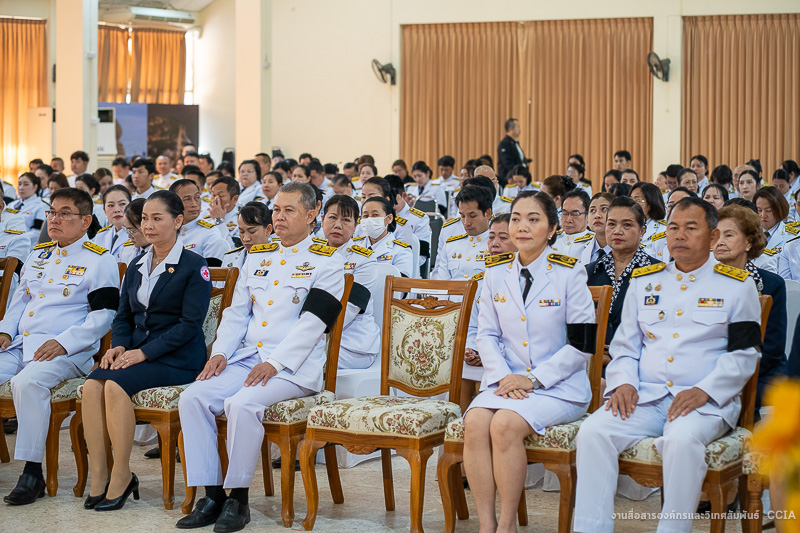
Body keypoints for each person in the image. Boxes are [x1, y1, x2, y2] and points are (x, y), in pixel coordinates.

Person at [573, 197, 762, 533]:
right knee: (593, 431)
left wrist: (705, 391)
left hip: (703, 404)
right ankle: (591, 528)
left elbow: (745, 354)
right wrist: (623, 383)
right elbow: (625, 346)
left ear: (713, 235)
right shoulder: (646, 281)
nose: (679, 235)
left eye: (691, 228)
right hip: (645, 397)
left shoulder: (735, 285)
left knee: (681, 441)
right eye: (673, 227)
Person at [176, 182, 344, 532]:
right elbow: (237, 314)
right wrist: (220, 352)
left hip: (293, 367)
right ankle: (212, 495)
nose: (278, 217)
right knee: (192, 397)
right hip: (248, 357)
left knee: (242, 404)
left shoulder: (329, 262)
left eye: (289, 211)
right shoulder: (258, 255)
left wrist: (276, 363)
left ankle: (238, 498)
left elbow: (313, 325)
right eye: (277, 210)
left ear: (311, 215)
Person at [463, 191, 596, 533]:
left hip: (558, 386)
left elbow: (583, 345)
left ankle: (507, 524)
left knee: (504, 424)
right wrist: (504, 376)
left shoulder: (570, 272)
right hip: (506, 380)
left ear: (552, 228)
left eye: (534, 219)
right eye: (517, 218)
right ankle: (485, 524)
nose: (522, 226)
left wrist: (533, 379)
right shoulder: (494, 273)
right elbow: (487, 335)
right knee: (475, 421)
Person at [81, 191, 211, 511]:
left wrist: (144, 353)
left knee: (113, 385)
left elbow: (189, 325)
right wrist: (119, 345)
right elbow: (123, 315)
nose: (148, 225)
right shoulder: (138, 262)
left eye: (157, 218)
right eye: (144, 219)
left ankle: (123, 475)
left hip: (177, 358)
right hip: (136, 352)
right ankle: (100, 475)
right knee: (91, 386)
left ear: (178, 221)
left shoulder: (194, 265)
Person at [0, 188, 120, 506]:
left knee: (28, 382)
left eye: (65, 213)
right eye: (52, 212)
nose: (54, 219)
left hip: (68, 352)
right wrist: (5, 333)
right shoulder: (39, 255)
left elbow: (104, 317)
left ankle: (31, 472)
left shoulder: (99, 260)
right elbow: (19, 302)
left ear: (85, 221)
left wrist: (63, 342)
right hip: (23, 345)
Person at [713, 204, 786, 411]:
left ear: (749, 241)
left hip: (760, 372)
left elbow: (772, 348)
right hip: (711, 371)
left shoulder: (771, 284)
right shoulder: (702, 282)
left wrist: (730, 374)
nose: (720, 242)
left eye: (728, 235)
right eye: (716, 235)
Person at [585, 197, 661, 345]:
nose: (617, 231)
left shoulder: (658, 273)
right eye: (611, 224)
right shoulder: (589, 272)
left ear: (642, 231)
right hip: (594, 362)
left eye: (627, 225)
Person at [460, 213, 517, 411]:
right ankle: (461, 433)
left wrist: (488, 355)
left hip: (511, 359)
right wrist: (471, 350)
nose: (494, 243)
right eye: (491, 237)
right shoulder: (481, 280)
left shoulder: (525, 279)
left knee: (484, 376)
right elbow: (474, 325)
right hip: (483, 351)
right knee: (460, 370)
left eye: (503, 238)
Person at [316, 195, 380, 369]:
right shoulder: (312, 254)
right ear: (322, 220)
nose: (338, 225)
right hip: (315, 336)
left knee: (299, 361)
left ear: (356, 226)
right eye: (332, 218)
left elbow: (348, 310)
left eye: (346, 220)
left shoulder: (365, 260)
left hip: (353, 344)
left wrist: (306, 335)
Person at [432, 186, 492, 281]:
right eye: (462, 216)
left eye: (472, 216)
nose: (466, 222)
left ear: (488, 213)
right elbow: (442, 286)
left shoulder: (497, 246)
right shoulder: (450, 246)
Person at [170, 179, 229, 267]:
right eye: (187, 199)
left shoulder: (209, 233)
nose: (194, 204)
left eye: (197, 198)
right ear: (173, 204)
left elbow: (210, 275)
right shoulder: (167, 230)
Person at [360, 197, 413, 278]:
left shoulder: (401, 250)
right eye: (365, 216)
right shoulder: (353, 246)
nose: (369, 220)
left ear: (389, 218)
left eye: (375, 215)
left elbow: (401, 286)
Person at [223, 202, 273, 270]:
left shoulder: (277, 258)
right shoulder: (230, 257)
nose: (246, 238)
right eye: (241, 232)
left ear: (268, 230)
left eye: (252, 232)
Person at [5, 173, 48, 246]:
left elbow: (37, 233)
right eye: (19, 184)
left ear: (35, 187)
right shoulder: (11, 205)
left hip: (27, 246)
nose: (21, 187)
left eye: (26, 184)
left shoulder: (42, 206)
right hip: (6, 244)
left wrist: (15, 239)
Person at [92, 185, 132, 261]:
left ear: (131, 206)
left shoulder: (139, 236)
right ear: (104, 210)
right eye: (111, 205)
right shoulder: (100, 237)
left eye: (122, 204)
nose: (117, 210)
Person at [630, 182, 667, 256]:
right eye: (630, 200)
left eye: (637, 200)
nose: (631, 204)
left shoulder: (663, 229)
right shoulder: (626, 226)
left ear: (650, 203)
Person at [577, 192, 615, 264]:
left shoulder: (629, 251)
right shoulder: (576, 249)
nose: (597, 215)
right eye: (592, 210)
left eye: (604, 209)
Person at [553, 189, 593, 256]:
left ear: (588, 215)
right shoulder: (552, 239)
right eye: (565, 213)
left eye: (575, 214)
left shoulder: (594, 243)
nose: (568, 220)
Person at [208, 176, 241, 242]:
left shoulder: (242, 220)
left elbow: (233, 249)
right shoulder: (206, 218)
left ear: (235, 199)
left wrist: (219, 221)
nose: (216, 199)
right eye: (213, 195)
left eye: (221, 196)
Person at [497, 118, 529, 183]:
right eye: (518, 127)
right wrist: (518, 173)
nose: (520, 129)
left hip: (520, 178)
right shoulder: (504, 144)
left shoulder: (515, 143)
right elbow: (508, 163)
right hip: (510, 180)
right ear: (511, 128)